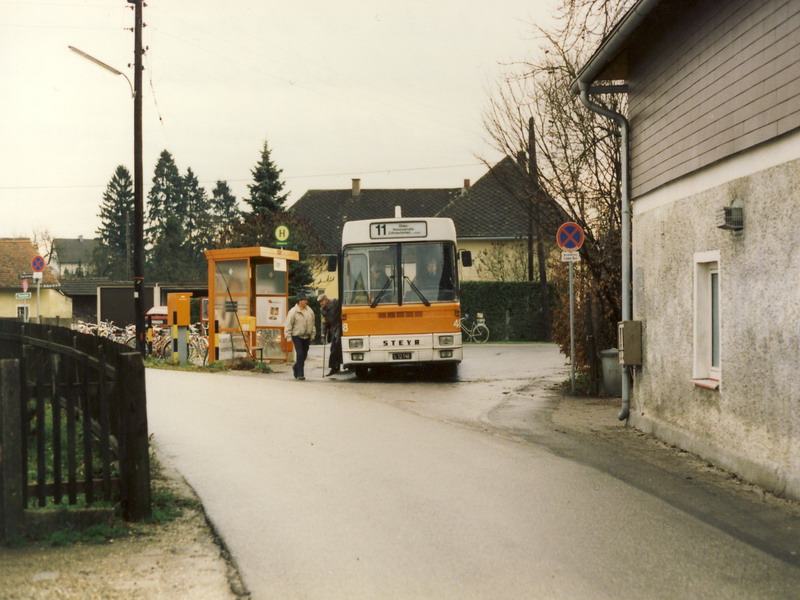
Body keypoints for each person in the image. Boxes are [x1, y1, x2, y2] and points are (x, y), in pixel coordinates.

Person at [284, 293, 316, 380]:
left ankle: (296, 367)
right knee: (300, 354)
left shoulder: (310, 311)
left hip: (307, 336)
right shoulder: (293, 311)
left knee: (304, 355)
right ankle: (300, 374)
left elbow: (312, 324)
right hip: (297, 335)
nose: (306, 301)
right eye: (304, 300)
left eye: (306, 300)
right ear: (299, 301)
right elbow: (288, 324)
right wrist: (288, 336)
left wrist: (313, 334)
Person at [319, 294, 344, 376]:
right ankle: (334, 368)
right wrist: (323, 333)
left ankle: (338, 367)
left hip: (341, 327)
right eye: (320, 302)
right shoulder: (323, 309)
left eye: (321, 301)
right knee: (333, 348)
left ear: (326, 299)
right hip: (334, 329)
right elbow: (324, 322)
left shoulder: (335, 302)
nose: (321, 304)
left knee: (337, 347)